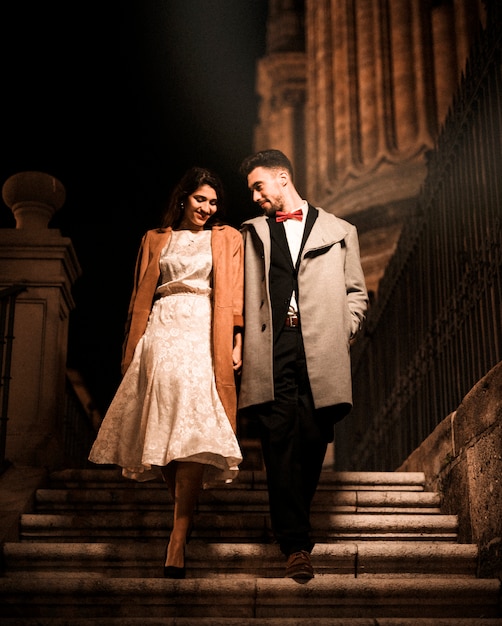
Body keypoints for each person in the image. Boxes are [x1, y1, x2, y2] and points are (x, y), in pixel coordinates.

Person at [88, 166, 244, 579]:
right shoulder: (155, 238)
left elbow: (238, 291)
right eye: (200, 199)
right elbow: (139, 293)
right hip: (160, 326)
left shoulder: (227, 238)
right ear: (183, 198)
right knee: (157, 422)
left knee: (192, 424)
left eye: (213, 202)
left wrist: (236, 339)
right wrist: (133, 342)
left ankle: (178, 534)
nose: (208, 208)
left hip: (203, 327)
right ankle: (184, 512)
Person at [238, 149, 368, 583]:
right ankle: (295, 544)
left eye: (259, 186)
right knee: (278, 442)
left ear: (282, 177)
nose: (255, 196)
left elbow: (357, 293)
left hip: (320, 347)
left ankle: (293, 524)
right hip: (271, 346)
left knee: (313, 438)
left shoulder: (340, 230)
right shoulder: (250, 233)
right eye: (252, 190)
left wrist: (341, 330)